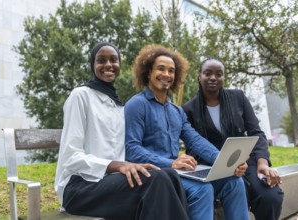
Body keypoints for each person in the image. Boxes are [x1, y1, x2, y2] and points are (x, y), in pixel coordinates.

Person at [54, 42, 190, 220]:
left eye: (114, 60)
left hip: (110, 182)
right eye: (101, 60)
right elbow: (71, 156)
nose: (108, 65)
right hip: (79, 187)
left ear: (119, 65)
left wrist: (133, 165)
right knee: (156, 180)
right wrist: (118, 165)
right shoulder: (80, 96)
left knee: (169, 175)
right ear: (92, 65)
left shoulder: (118, 106)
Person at [124, 44, 250, 220]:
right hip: (155, 175)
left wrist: (227, 162)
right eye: (161, 69)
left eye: (171, 71)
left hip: (177, 173)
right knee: (202, 189)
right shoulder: (136, 105)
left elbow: (196, 141)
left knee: (234, 182)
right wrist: (170, 163)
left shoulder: (177, 111)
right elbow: (132, 149)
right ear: (148, 72)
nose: (167, 75)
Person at [182, 58, 284, 220]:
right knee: (234, 189)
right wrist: (221, 165)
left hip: (245, 162)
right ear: (199, 76)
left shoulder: (238, 98)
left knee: (271, 196)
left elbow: (256, 133)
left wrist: (262, 163)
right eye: (207, 73)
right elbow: (193, 147)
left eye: (219, 74)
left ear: (224, 77)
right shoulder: (188, 109)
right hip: (213, 168)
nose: (213, 78)